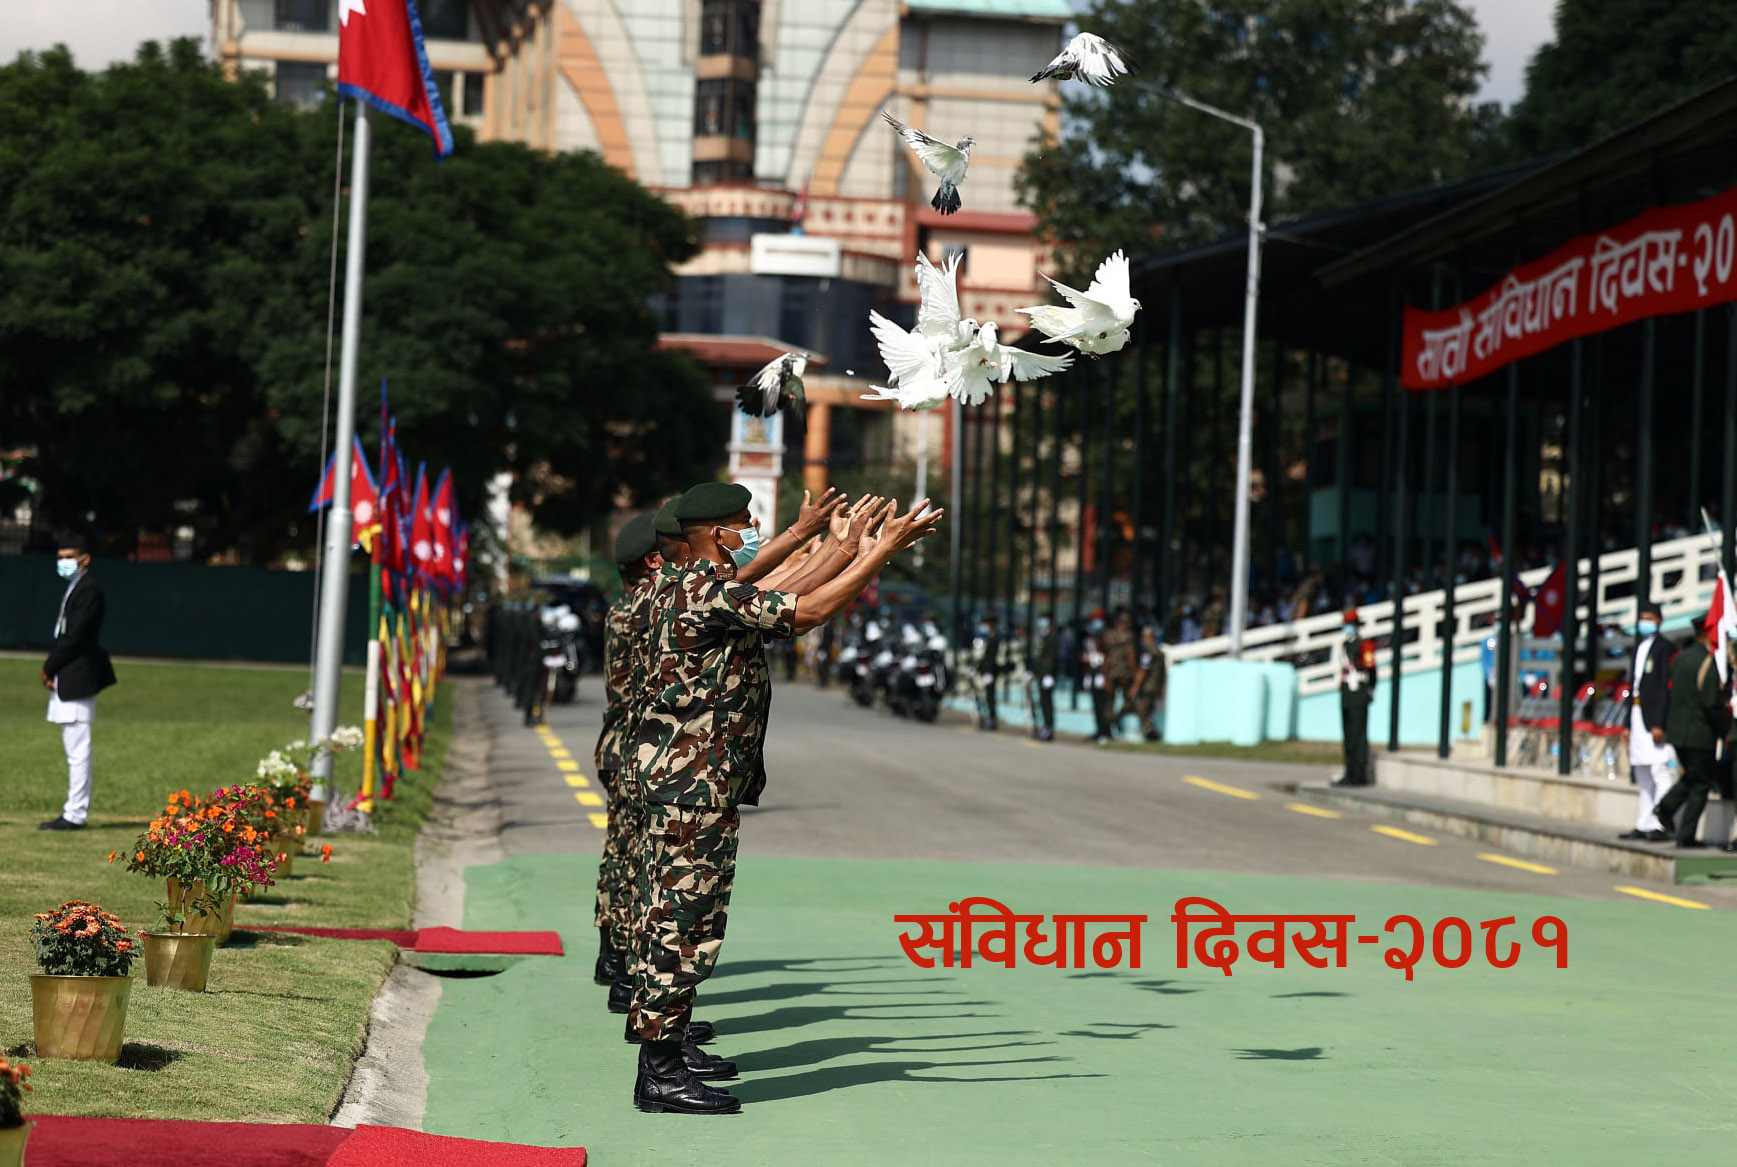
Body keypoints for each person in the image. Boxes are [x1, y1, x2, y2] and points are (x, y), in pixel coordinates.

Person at [628, 483, 938, 1114]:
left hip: (688, 784)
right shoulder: (701, 592)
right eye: (742, 522)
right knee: (684, 926)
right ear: (715, 532)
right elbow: (807, 611)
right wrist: (879, 552)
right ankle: (659, 1072)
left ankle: (667, 1052)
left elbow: (775, 586)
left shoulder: (681, 587)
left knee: (682, 921)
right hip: (695, 788)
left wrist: (840, 544)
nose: (749, 530)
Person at [591, 513, 663, 993]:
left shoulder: (623, 607)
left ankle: (613, 960)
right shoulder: (641, 607)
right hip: (633, 747)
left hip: (619, 746)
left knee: (621, 855)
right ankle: (628, 972)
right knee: (634, 862)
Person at [40, 535, 116, 831]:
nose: (63, 563)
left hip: (79, 672)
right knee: (74, 745)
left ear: (85, 559)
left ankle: (75, 813)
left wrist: (50, 667)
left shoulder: (89, 589)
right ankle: (73, 810)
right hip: (69, 671)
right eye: (60, 557)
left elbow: (76, 637)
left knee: (78, 747)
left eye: (69, 556)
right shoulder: (75, 587)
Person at [1655, 615, 1731, 848]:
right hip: (1699, 734)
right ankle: (1685, 836)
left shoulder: (1681, 658)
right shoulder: (1709, 662)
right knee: (1700, 784)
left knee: (1693, 776)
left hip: (1678, 733)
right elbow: (1711, 703)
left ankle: (1666, 806)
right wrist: (1724, 730)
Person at [1620, 603, 1673, 842]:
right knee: (1642, 772)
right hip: (1636, 713)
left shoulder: (1665, 648)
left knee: (1659, 769)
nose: (1645, 622)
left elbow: (1664, 688)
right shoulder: (1639, 647)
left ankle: (1661, 823)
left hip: (1653, 717)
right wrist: (1627, 724)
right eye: (1642, 618)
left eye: (1649, 618)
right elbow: (1632, 687)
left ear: (1659, 620)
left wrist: (1659, 722)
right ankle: (1644, 821)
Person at [1333, 609, 1376, 787]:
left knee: (1358, 735)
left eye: (1350, 624)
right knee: (1348, 734)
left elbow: (1371, 668)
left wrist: (1370, 689)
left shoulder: (1364, 644)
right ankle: (1349, 771)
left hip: (1358, 693)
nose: (1347, 628)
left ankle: (1359, 773)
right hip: (1347, 693)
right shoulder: (1345, 645)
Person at [1100, 609, 1139, 740]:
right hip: (1125, 674)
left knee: (1109, 704)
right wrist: (1135, 675)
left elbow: (1106, 657)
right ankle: (1116, 719)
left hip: (1111, 673)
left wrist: (1104, 675)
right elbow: (1131, 657)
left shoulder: (1109, 636)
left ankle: (1108, 730)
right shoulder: (1128, 637)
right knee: (1128, 702)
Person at [1080, 612, 1111, 744]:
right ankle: (1099, 730)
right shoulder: (1091, 637)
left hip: (1102, 674)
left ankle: (1106, 730)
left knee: (1104, 705)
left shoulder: (1106, 636)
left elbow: (1106, 656)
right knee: (1097, 705)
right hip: (1093, 673)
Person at [1028, 613, 1059, 741]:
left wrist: (1049, 674)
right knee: (1042, 701)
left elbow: (1051, 658)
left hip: (1047, 675)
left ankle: (1049, 728)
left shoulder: (1052, 638)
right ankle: (1045, 727)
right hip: (1042, 674)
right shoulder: (1043, 637)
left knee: (1047, 703)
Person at [1132, 623, 1164, 741]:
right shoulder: (1159, 652)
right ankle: (1150, 731)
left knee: (1141, 708)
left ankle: (1151, 731)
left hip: (1147, 687)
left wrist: (1135, 687)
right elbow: (1163, 673)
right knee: (1149, 710)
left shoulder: (1148, 651)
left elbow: (1143, 670)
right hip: (1156, 686)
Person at [973, 615, 1002, 730]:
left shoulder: (997, 638)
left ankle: (992, 719)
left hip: (991, 672)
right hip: (984, 671)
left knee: (990, 696)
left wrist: (990, 671)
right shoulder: (985, 638)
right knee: (984, 695)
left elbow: (995, 657)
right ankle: (986, 718)